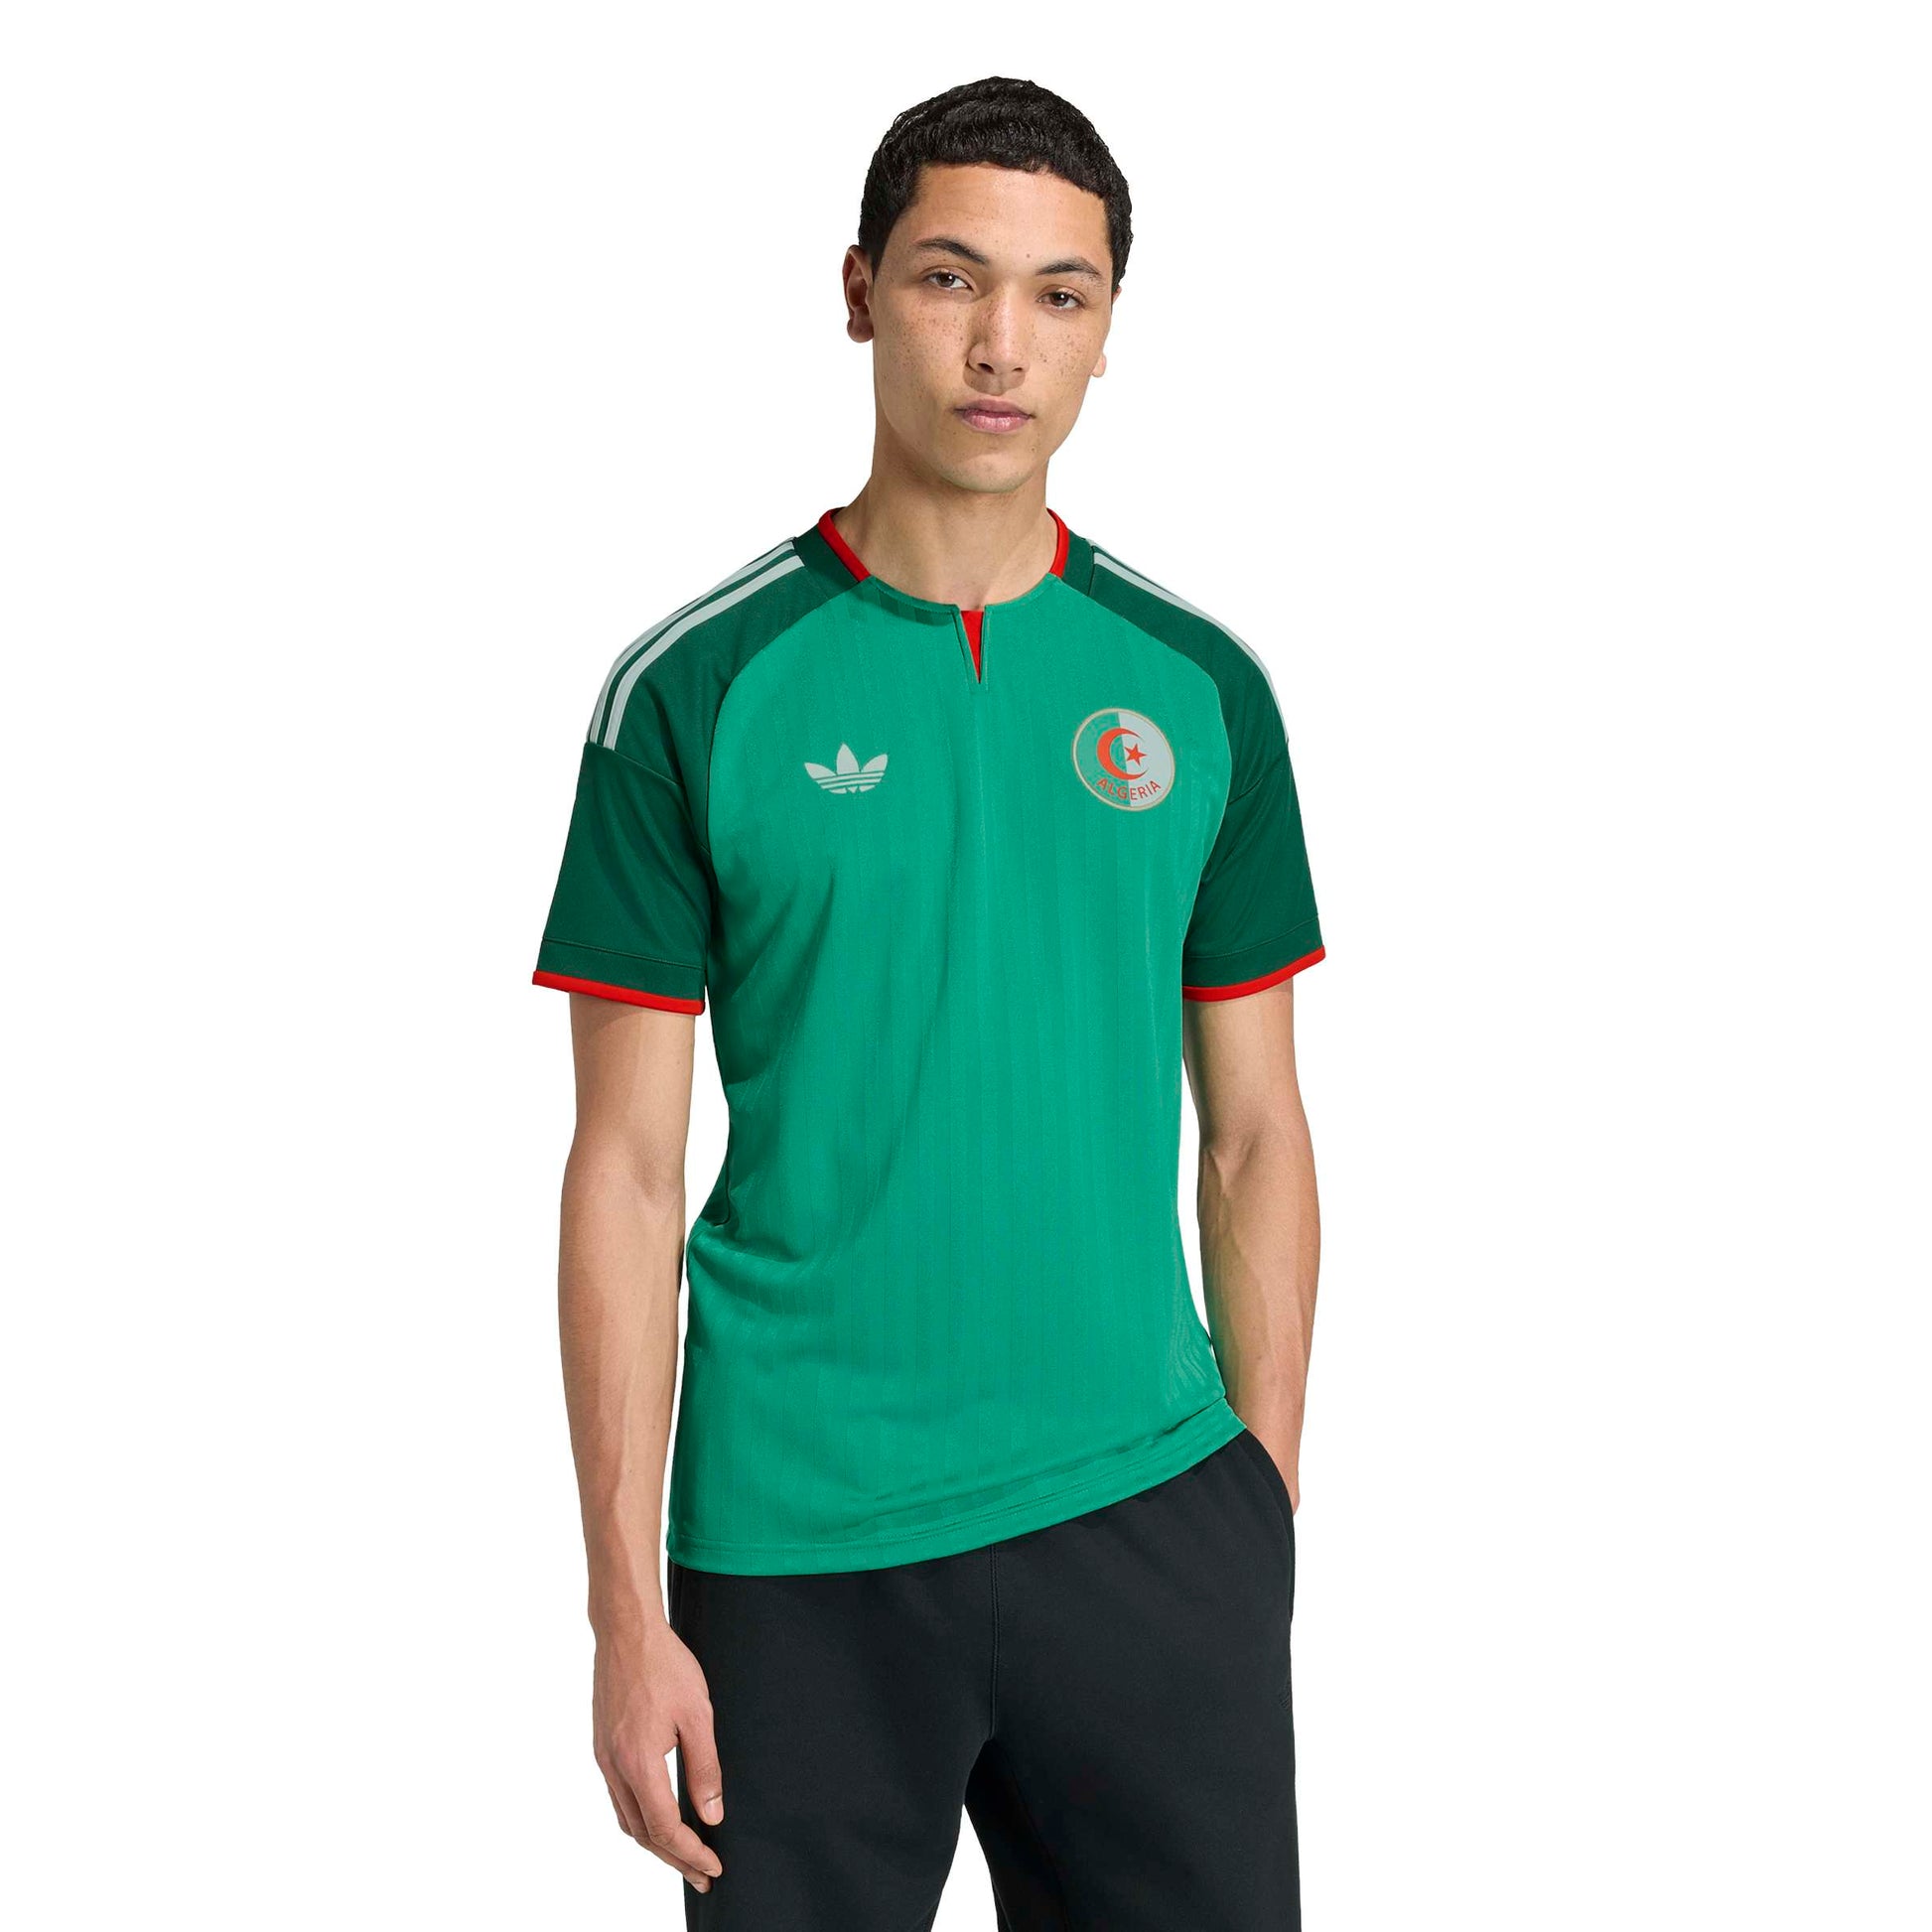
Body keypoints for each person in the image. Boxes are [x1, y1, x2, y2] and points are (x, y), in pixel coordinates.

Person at [533, 74, 1324, 1930]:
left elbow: (1256, 1131)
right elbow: (625, 1172)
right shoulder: (694, 689)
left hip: (1150, 1522)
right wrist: (625, 1613)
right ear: (859, 291)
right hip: (796, 1554)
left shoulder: (1199, 687)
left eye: (1059, 294)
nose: (999, 345)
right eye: (951, 278)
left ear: (1108, 328)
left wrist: (1257, 1505)